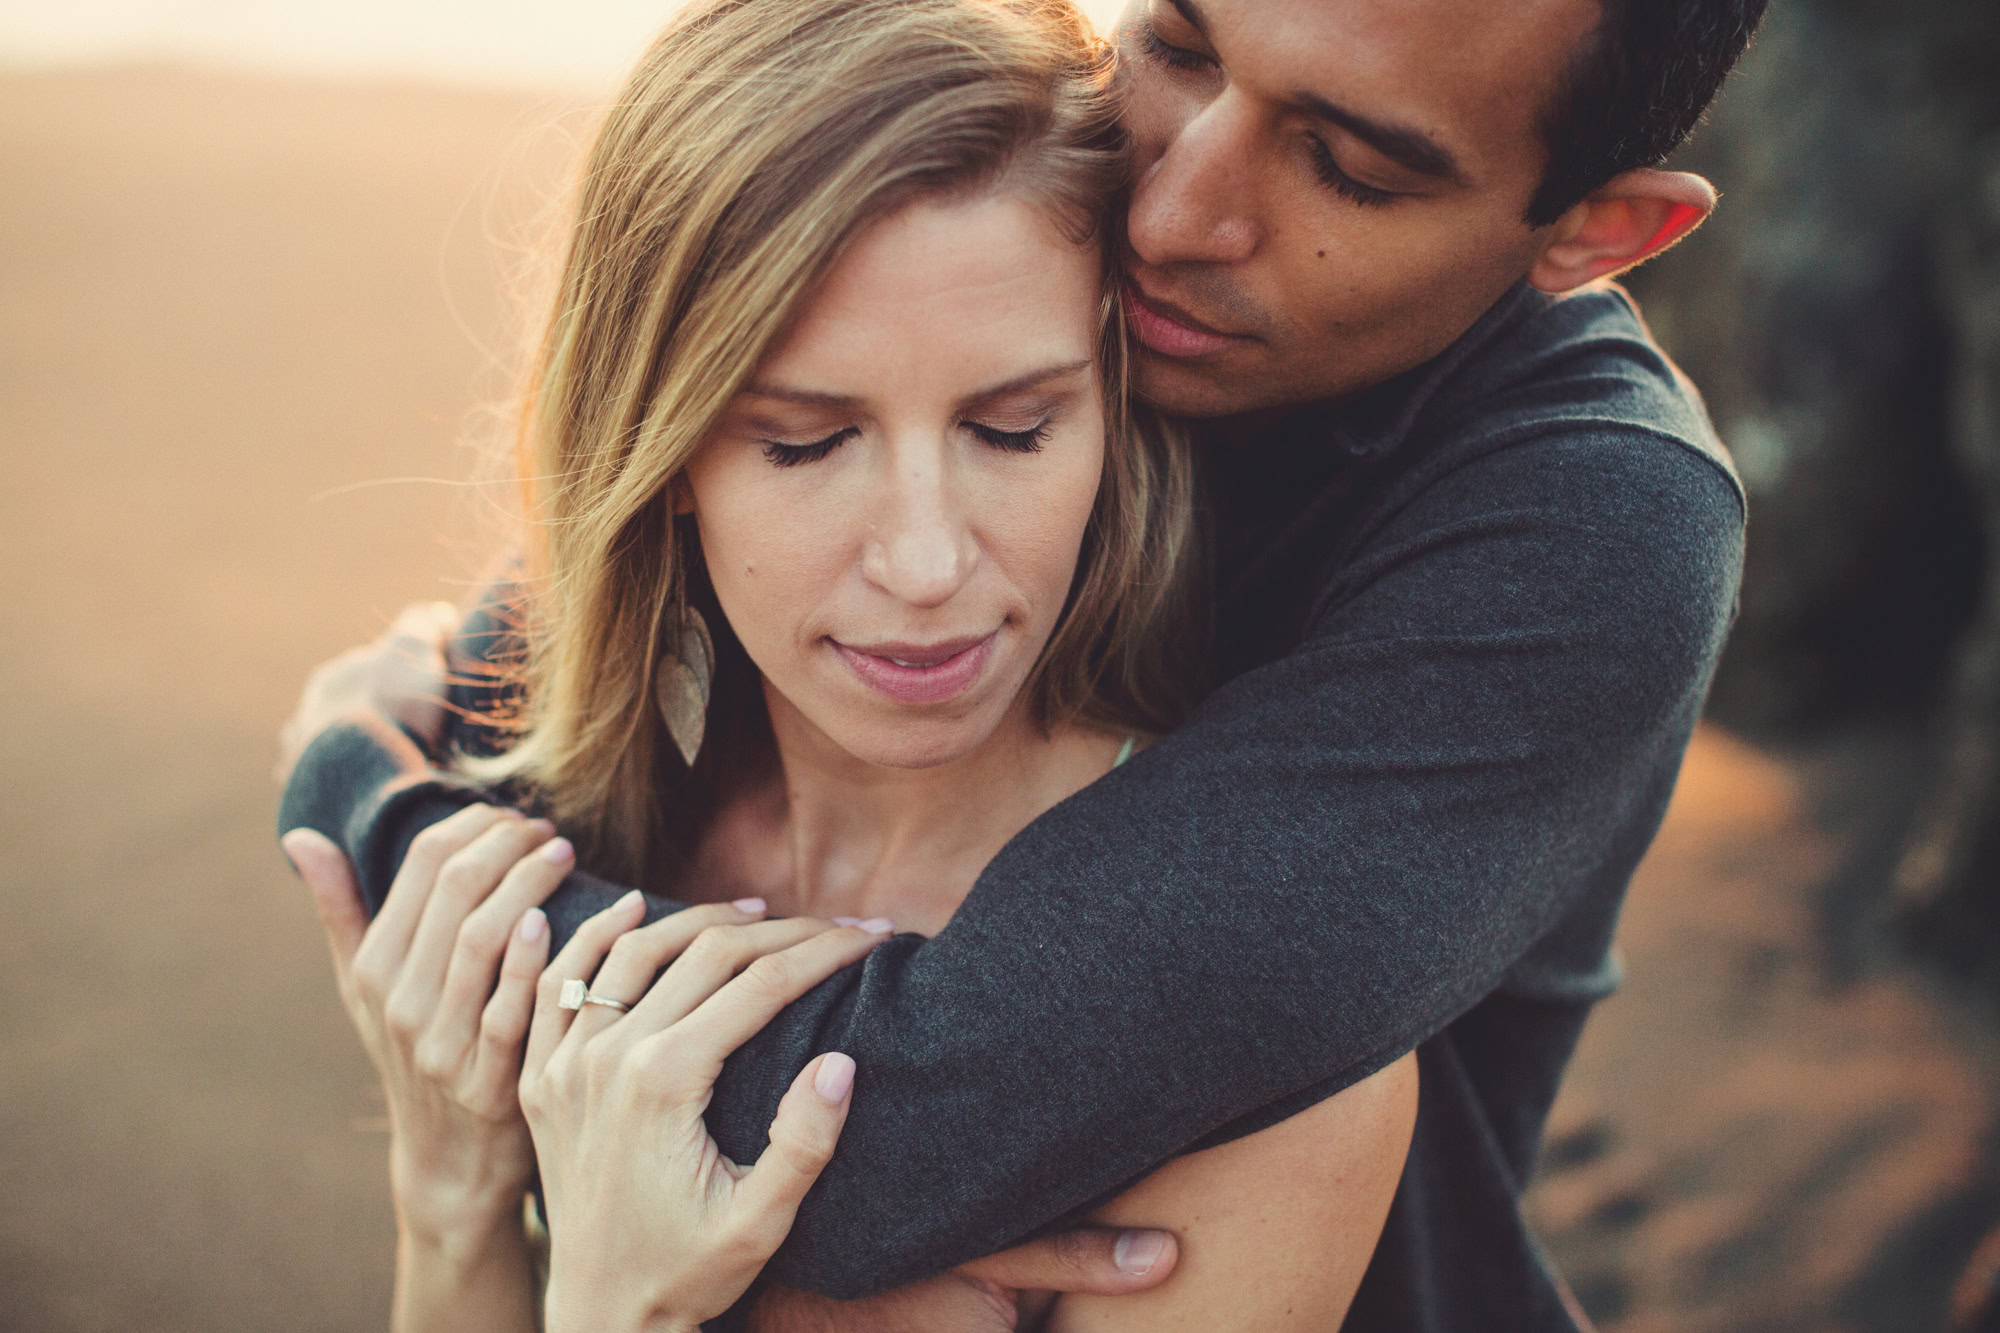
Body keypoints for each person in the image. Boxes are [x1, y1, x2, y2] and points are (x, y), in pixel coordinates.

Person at [279, 0, 1762, 1326]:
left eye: (1349, 168)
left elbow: (915, 1137)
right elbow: (544, 631)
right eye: (1177, 46)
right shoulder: (1027, 241)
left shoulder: (1590, 523)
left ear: (1598, 231)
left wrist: (402, 848)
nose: (1170, 213)